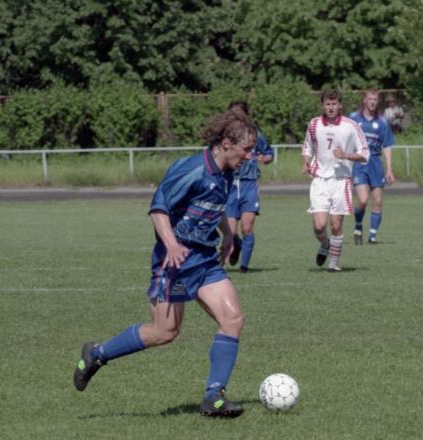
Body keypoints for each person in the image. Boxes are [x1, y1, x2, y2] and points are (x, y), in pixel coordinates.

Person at [73, 110, 258, 419]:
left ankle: (213, 396)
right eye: (246, 149)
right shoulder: (193, 169)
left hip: (205, 261)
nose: (250, 156)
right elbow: (158, 207)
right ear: (227, 143)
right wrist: (171, 244)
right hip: (176, 264)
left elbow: (214, 205)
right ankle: (97, 354)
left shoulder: (228, 171)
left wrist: (228, 234)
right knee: (165, 332)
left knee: (233, 319)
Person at [301, 90, 369, 272]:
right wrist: (306, 162)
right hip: (319, 180)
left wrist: (346, 154)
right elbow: (307, 147)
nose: (331, 107)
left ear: (340, 105)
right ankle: (325, 243)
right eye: (327, 104)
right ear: (322, 105)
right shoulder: (314, 124)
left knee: (336, 224)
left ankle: (333, 264)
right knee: (319, 226)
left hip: (341, 181)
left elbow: (365, 153)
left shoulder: (351, 126)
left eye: (334, 104)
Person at [225, 101, 274, 273]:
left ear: (245, 115)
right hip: (230, 186)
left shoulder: (254, 135)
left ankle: (244, 267)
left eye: (239, 113)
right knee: (230, 232)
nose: (236, 117)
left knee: (247, 226)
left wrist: (265, 159)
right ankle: (236, 244)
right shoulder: (226, 137)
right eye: (233, 113)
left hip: (249, 184)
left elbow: (269, 154)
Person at [349, 90, 396, 244]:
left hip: (376, 163)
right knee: (363, 200)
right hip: (360, 162)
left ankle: (372, 236)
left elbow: (387, 145)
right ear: (364, 100)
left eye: (375, 99)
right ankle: (358, 226)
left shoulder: (382, 122)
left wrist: (389, 169)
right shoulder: (353, 118)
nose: (372, 102)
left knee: (377, 201)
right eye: (370, 99)